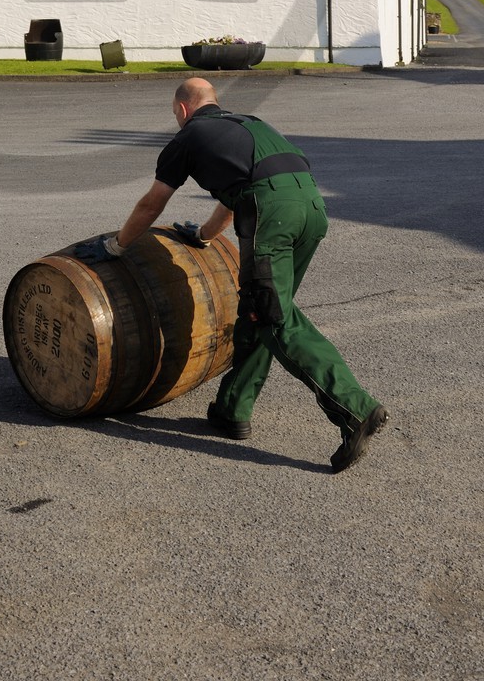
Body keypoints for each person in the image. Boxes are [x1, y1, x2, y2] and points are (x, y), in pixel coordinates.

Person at [84, 76, 386, 473]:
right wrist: (204, 236)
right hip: (312, 207)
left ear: (182, 109)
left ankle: (355, 408)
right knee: (259, 312)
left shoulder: (188, 138)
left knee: (274, 316)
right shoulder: (249, 123)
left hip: (272, 213)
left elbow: (152, 203)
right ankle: (232, 409)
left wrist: (118, 245)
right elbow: (234, 197)